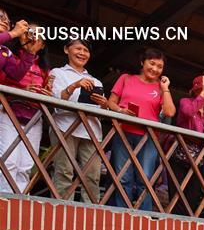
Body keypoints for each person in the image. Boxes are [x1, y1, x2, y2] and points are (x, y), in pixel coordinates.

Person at [106, 47, 176, 209]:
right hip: (123, 132)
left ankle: (143, 216)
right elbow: (110, 102)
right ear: (142, 62)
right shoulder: (126, 79)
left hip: (148, 137)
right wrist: (120, 111)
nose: (155, 69)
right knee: (123, 176)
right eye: (152, 64)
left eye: (160, 67)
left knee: (145, 178)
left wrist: (165, 88)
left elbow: (170, 111)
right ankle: (121, 213)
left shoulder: (160, 87)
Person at [49, 38, 106, 203]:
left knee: (93, 175)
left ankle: (91, 212)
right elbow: (54, 100)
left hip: (91, 131)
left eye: (86, 50)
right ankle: (60, 209)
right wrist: (74, 86)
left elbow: (102, 112)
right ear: (67, 50)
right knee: (64, 171)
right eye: (78, 49)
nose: (82, 53)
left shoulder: (96, 81)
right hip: (64, 126)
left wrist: (104, 105)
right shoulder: (57, 73)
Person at [0, 22, 48, 194]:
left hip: (34, 118)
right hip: (9, 112)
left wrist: (46, 95)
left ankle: (20, 202)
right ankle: (5, 200)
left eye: (38, 35)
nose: (33, 37)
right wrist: (22, 91)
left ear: (43, 44)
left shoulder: (44, 69)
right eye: (29, 33)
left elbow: (49, 92)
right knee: (8, 161)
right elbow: (7, 79)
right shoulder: (8, 55)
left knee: (26, 164)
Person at [170, 74, 204, 216]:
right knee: (177, 193)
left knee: (194, 194)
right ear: (197, 90)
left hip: (197, 158)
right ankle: (174, 225)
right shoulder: (185, 102)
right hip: (179, 154)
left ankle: (186, 226)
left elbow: (200, 133)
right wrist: (202, 94)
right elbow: (188, 112)